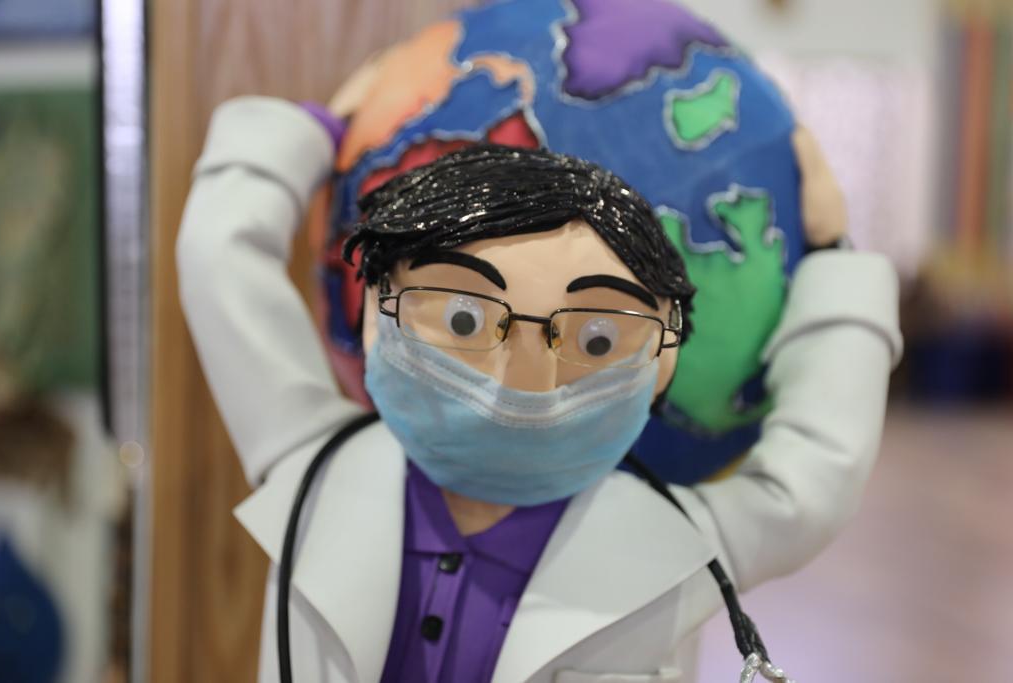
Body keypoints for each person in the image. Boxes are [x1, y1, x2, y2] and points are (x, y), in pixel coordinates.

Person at [177, 96, 902, 683]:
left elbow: (818, 469)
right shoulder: (315, 469)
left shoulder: (682, 543)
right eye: (465, 317)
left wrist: (837, 260)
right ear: (375, 316)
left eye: (596, 337)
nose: (524, 377)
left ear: (664, 359)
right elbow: (222, 266)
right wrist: (304, 128)